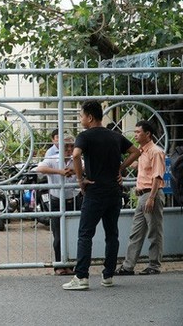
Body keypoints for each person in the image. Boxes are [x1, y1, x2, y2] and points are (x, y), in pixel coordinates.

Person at [62, 100, 140, 291]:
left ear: (89, 117)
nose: (80, 119)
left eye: (81, 116)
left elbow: (75, 155)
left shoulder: (85, 136)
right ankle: (108, 276)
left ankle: (81, 277)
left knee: (85, 233)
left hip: (95, 191)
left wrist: (81, 181)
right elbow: (136, 151)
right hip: (114, 191)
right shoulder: (115, 136)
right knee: (112, 234)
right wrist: (119, 169)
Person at [116, 121, 166, 276]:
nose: (135, 135)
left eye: (138, 132)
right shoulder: (142, 151)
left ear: (148, 134)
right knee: (136, 232)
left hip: (152, 194)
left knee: (154, 231)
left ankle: (154, 265)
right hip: (143, 195)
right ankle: (128, 266)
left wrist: (152, 197)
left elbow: (157, 177)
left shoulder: (155, 152)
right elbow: (136, 166)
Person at [37, 135, 82, 276]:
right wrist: (60, 172)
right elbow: (39, 168)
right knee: (58, 235)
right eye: (66, 146)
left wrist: (76, 171)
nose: (69, 149)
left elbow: (86, 169)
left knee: (73, 234)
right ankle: (59, 265)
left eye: (71, 146)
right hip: (56, 200)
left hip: (74, 199)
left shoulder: (78, 160)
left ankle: (70, 264)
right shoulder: (52, 159)